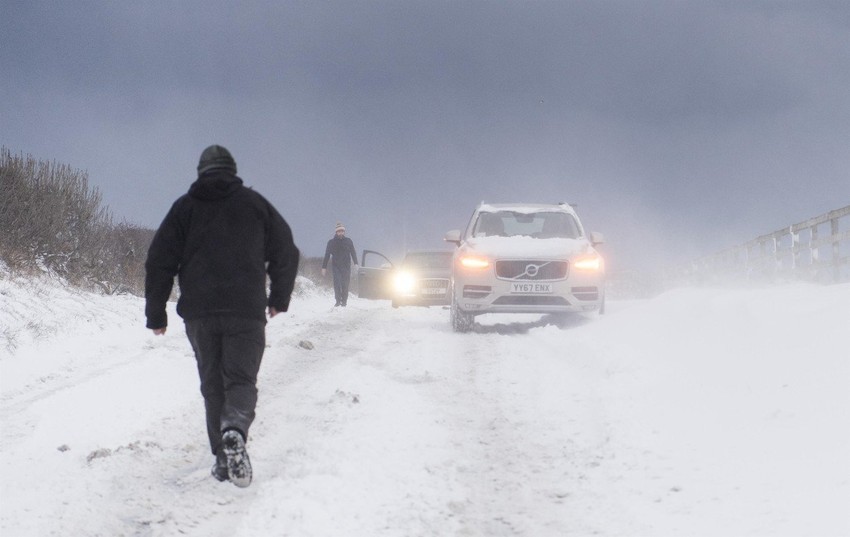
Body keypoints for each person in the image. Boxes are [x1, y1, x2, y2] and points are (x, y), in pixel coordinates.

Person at [144, 145, 299, 488]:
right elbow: (285, 250)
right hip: (245, 311)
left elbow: (159, 260)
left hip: (200, 314)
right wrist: (279, 298)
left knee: (212, 385)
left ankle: (222, 459)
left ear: (201, 171)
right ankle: (235, 429)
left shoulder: (184, 208)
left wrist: (156, 313)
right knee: (240, 381)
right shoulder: (255, 205)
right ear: (232, 170)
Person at [321, 222, 358, 306]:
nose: (340, 233)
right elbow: (327, 255)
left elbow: (353, 252)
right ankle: (338, 301)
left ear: (344, 232)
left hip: (346, 266)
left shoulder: (348, 241)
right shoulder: (331, 242)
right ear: (336, 232)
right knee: (337, 283)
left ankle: (344, 302)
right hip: (336, 266)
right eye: (339, 231)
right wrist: (324, 267)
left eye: (342, 231)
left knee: (345, 284)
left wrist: (356, 263)